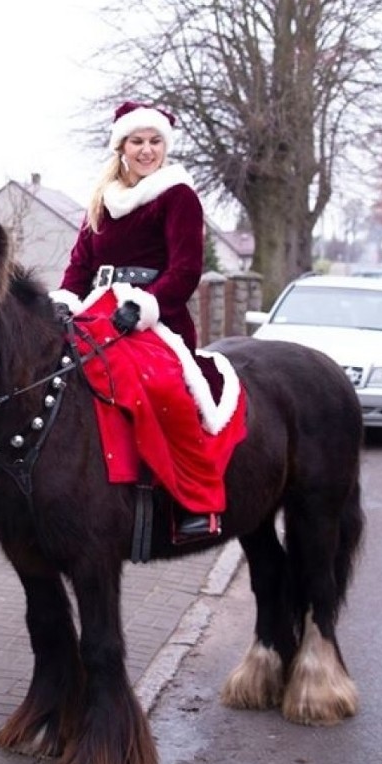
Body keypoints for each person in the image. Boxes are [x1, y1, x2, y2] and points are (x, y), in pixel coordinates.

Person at [51, 100, 227, 542]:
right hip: (98, 308)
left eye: (154, 142)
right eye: (137, 141)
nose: (147, 150)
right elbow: (79, 264)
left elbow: (185, 269)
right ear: (122, 147)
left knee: (165, 388)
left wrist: (146, 306)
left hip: (156, 315)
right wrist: (65, 300)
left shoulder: (177, 195)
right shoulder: (102, 200)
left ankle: (194, 503)